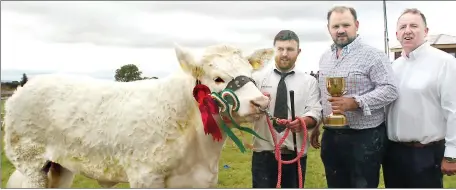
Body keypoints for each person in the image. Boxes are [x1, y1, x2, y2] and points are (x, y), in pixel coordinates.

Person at [313, 6, 398, 188]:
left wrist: (357, 102)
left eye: (346, 25)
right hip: (331, 136)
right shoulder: (324, 57)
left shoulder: (374, 55)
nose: (341, 30)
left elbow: (390, 89)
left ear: (356, 25)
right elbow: (323, 95)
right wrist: (318, 124)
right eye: (335, 26)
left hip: (364, 137)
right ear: (328, 28)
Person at [383, 8, 456, 188]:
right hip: (393, 152)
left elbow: (453, 110)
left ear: (425, 32)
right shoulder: (392, 67)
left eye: (414, 26)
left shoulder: (444, 63)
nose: (408, 30)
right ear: (397, 34)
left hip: (426, 154)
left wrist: (452, 154)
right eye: (403, 27)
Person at [251, 30, 322, 188]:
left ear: (298, 52)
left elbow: (315, 111)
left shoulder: (309, 82)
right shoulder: (257, 79)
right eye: (280, 49)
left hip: (294, 154)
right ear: (273, 50)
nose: (284, 54)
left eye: (290, 49)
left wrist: (304, 122)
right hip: (263, 154)